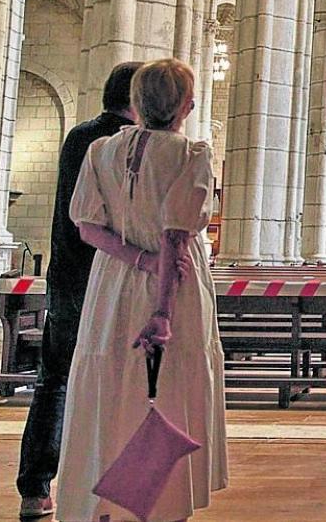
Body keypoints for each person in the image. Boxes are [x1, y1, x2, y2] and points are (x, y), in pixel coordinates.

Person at [55, 59, 228, 522]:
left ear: (136, 101)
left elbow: (88, 227)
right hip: (173, 286)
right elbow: (175, 237)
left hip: (112, 286)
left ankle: (106, 503)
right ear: (186, 105)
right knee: (167, 389)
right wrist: (163, 311)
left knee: (111, 386)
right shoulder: (190, 154)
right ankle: (162, 505)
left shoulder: (100, 151)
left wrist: (136, 259)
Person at [16, 61, 142, 520]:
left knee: (53, 382)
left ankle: (35, 488)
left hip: (66, 277)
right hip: (110, 280)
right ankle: (105, 488)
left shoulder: (77, 137)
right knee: (115, 384)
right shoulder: (126, 145)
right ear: (138, 99)